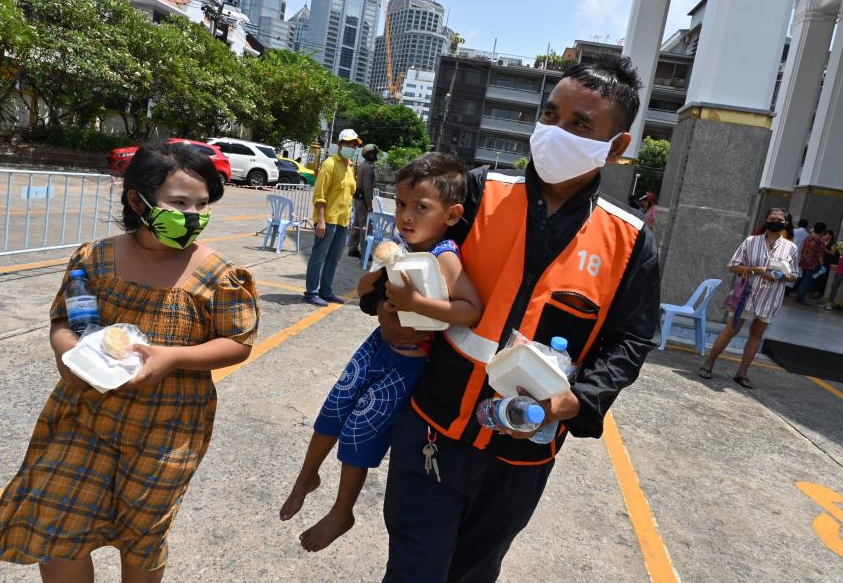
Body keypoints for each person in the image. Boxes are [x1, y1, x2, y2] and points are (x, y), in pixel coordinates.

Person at [365, 56, 661, 582]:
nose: (554, 132)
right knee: (413, 570)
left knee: (473, 573)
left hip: (519, 454)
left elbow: (631, 340)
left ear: (616, 148)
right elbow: (410, 253)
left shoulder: (630, 242)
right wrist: (386, 308)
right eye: (550, 115)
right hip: (435, 425)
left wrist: (583, 399)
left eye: (579, 124)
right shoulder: (479, 193)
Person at [0, 143, 259, 583]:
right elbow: (62, 322)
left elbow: (238, 343)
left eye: (202, 205)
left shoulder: (219, 274)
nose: (193, 215)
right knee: (55, 523)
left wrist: (174, 357)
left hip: (168, 429)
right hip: (84, 415)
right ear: (137, 200)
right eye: (179, 203)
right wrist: (66, 353)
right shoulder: (95, 259)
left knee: (142, 537)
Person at [280, 153, 484, 553]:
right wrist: (377, 276)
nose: (406, 216)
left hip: (408, 363)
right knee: (335, 405)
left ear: (452, 214)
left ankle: (343, 510)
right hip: (377, 346)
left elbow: (470, 309)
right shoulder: (402, 248)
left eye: (420, 208)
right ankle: (308, 474)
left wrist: (417, 303)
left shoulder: (444, 254)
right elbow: (365, 290)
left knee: (360, 428)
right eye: (401, 206)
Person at [698, 208, 799, 389]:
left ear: (786, 223)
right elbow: (733, 266)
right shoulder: (751, 241)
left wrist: (783, 275)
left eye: (780, 219)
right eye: (772, 218)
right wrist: (756, 270)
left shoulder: (791, 248)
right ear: (766, 220)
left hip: (770, 296)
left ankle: (742, 373)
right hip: (747, 293)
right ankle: (709, 362)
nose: (776, 221)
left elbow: (794, 275)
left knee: (756, 335)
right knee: (732, 329)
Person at [304, 129, 359, 307]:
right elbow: (319, 195)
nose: (351, 147)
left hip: (343, 221)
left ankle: (326, 291)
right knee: (318, 257)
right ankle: (311, 292)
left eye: (354, 145)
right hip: (327, 220)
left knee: (334, 258)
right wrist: (320, 220)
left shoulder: (350, 166)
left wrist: (350, 220)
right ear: (340, 144)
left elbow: (349, 195)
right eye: (349, 144)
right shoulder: (329, 164)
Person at [348, 143, 379, 258]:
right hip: (363, 200)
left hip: (357, 198)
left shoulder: (362, 165)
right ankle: (364, 252)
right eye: (374, 153)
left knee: (356, 224)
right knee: (365, 227)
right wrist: (369, 205)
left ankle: (353, 249)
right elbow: (368, 187)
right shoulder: (369, 167)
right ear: (370, 154)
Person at [795, 222, 827, 303]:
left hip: (804, 261)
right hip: (813, 264)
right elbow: (819, 254)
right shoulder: (820, 241)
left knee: (804, 279)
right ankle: (800, 297)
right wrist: (822, 265)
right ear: (823, 231)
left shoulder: (808, 237)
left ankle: (800, 295)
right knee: (808, 281)